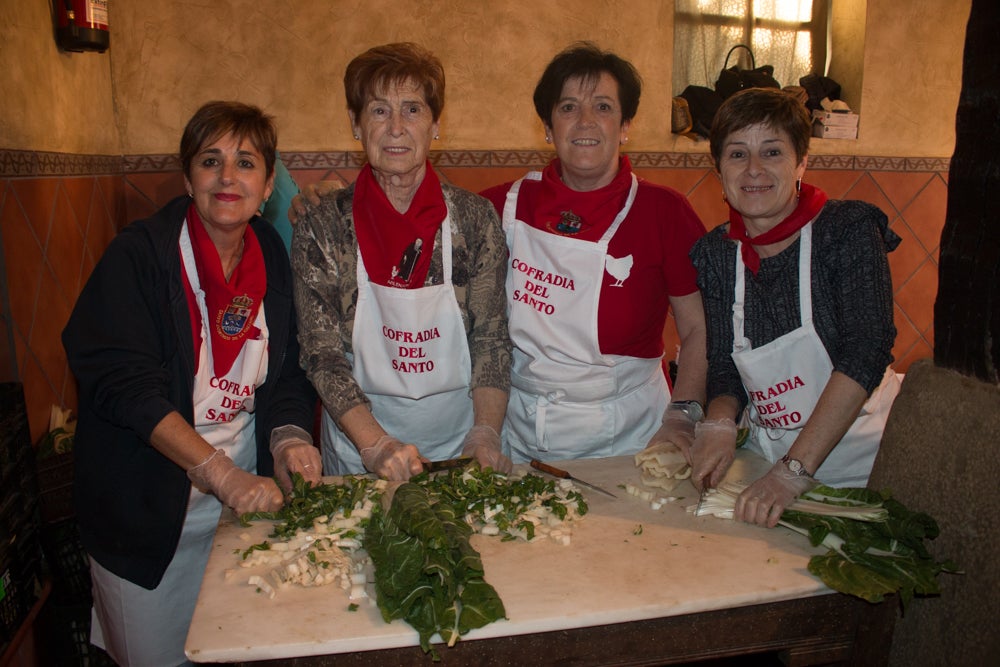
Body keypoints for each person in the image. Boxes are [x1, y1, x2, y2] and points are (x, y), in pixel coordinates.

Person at [62, 101, 320, 666]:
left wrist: (289, 438)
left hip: (241, 516)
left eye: (246, 162)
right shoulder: (141, 255)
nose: (229, 177)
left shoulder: (270, 255)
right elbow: (125, 386)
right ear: (188, 177)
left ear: (269, 182)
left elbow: (287, 374)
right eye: (211, 161)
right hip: (148, 517)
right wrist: (216, 471)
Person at [291, 43, 512, 481]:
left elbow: (490, 339)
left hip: (458, 448)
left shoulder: (472, 219)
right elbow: (323, 356)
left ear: (435, 127)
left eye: (412, 110)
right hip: (361, 453)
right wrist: (375, 444)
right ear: (356, 125)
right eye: (378, 111)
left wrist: (485, 431)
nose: (395, 128)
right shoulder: (322, 226)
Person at [479, 43, 708, 463]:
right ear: (547, 127)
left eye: (603, 107)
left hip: (632, 435)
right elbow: (419, 227)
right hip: (522, 429)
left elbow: (698, 330)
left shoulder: (664, 212)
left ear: (625, 126)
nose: (585, 121)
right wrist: (333, 203)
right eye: (568, 107)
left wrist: (682, 414)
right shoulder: (500, 206)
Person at [689, 87, 901, 528]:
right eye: (736, 154)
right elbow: (725, 364)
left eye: (772, 152)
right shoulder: (715, 253)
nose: (754, 171)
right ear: (718, 168)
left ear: (801, 161)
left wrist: (794, 471)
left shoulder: (847, 231)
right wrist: (719, 423)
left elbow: (868, 350)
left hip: (860, 466)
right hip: (766, 464)